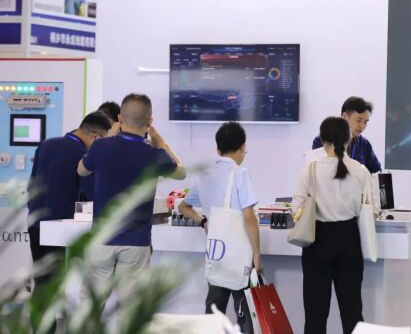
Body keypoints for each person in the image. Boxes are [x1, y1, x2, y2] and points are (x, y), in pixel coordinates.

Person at [77, 93, 185, 310]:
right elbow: (181, 173)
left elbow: (81, 170)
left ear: (119, 118)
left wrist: (108, 137)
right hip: (137, 242)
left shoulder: (101, 147)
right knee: (130, 310)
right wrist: (161, 142)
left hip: (102, 239)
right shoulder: (154, 153)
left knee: (89, 309)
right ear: (150, 122)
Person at [178, 122, 261, 333]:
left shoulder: (205, 175)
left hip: (216, 254)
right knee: (245, 313)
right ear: (242, 147)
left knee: (214, 313)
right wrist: (257, 254)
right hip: (240, 255)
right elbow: (249, 217)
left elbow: (183, 206)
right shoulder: (240, 174)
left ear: (218, 149)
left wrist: (203, 222)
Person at [295, 116, 372, 334]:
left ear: (322, 140)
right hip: (349, 238)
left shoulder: (309, 169)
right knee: (352, 312)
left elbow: (296, 209)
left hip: (317, 240)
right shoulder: (360, 171)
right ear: (348, 139)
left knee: (315, 315)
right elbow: (370, 209)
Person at [27, 111, 112, 294]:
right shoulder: (84, 156)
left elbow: (31, 184)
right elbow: (89, 194)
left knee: (42, 282)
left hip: (35, 221)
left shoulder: (46, 144)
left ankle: (40, 314)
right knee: (60, 284)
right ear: (96, 137)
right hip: (62, 227)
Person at [312, 96, 382, 173]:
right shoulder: (323, 140)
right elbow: (317, 173)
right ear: (344, 116)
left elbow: (376, 171)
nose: (362, 126)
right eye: (358, 120)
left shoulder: (364, 144)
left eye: (365, 122)